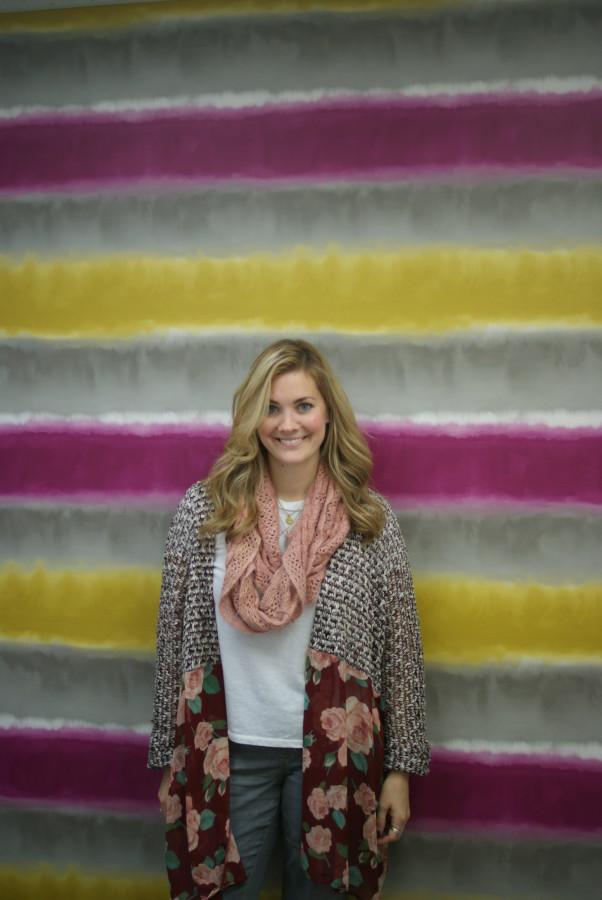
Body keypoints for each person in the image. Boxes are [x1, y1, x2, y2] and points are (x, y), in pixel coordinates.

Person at [148, 338, 431, 900]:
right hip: (224, 752)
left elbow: (402, 652)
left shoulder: (368, 521)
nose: (287, 424)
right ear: (254, 419)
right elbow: (171, 639)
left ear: (327, 415)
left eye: (303, 406)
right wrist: (169, 757)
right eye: (272, 408)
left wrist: (399, 770)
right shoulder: (205, 513)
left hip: (337, 758)